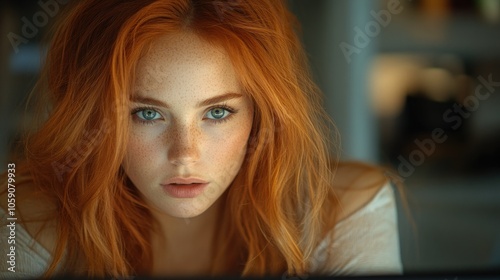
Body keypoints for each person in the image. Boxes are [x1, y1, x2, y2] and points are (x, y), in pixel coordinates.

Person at [0, 0, 404, 278]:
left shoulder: (345, 211)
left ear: (260, 114)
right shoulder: (27, 218)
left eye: (217, 112)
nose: (185, 156)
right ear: (93, 121)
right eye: (147, 114)